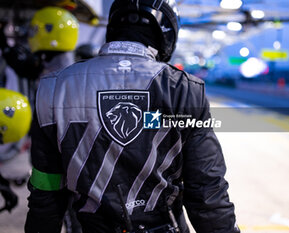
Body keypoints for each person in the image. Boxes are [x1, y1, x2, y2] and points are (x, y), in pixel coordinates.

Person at [25, 0, 240, 233]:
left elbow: (45, 190)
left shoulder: (53, 89)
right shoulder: (185, 90)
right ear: (166, 34)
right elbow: (207, 191)